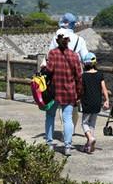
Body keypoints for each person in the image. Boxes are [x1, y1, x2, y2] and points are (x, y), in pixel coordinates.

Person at [47, 12, 88, 135]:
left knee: (60, 105)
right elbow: (85, 58)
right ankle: (70, 131)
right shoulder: (80, 40)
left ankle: (65, 131)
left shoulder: (56, 38)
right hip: (73, 76)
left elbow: (49, 56)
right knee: (72, 106)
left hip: (58, 76)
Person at [45, 28, 83, 156]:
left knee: (50, 116)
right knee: (67, 119)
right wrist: (78, 93)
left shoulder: (52, 54)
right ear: (68, 40)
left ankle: (50, 144)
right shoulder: (74, 56)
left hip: (54, 91)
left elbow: (49, 71)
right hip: (69, 92)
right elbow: (79, 76)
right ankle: (67, 146)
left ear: (57, 40)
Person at [79, 52, 109, 154]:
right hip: (97, 102)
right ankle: (88, 145)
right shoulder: (100, 74)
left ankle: (90, 139)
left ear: (85, 64)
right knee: (92, 124)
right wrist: (107, 100)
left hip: (87, 102)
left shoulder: (83, 76)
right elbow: (104, 89)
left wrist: (78, 98)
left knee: (84, 123)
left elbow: (81, 90)